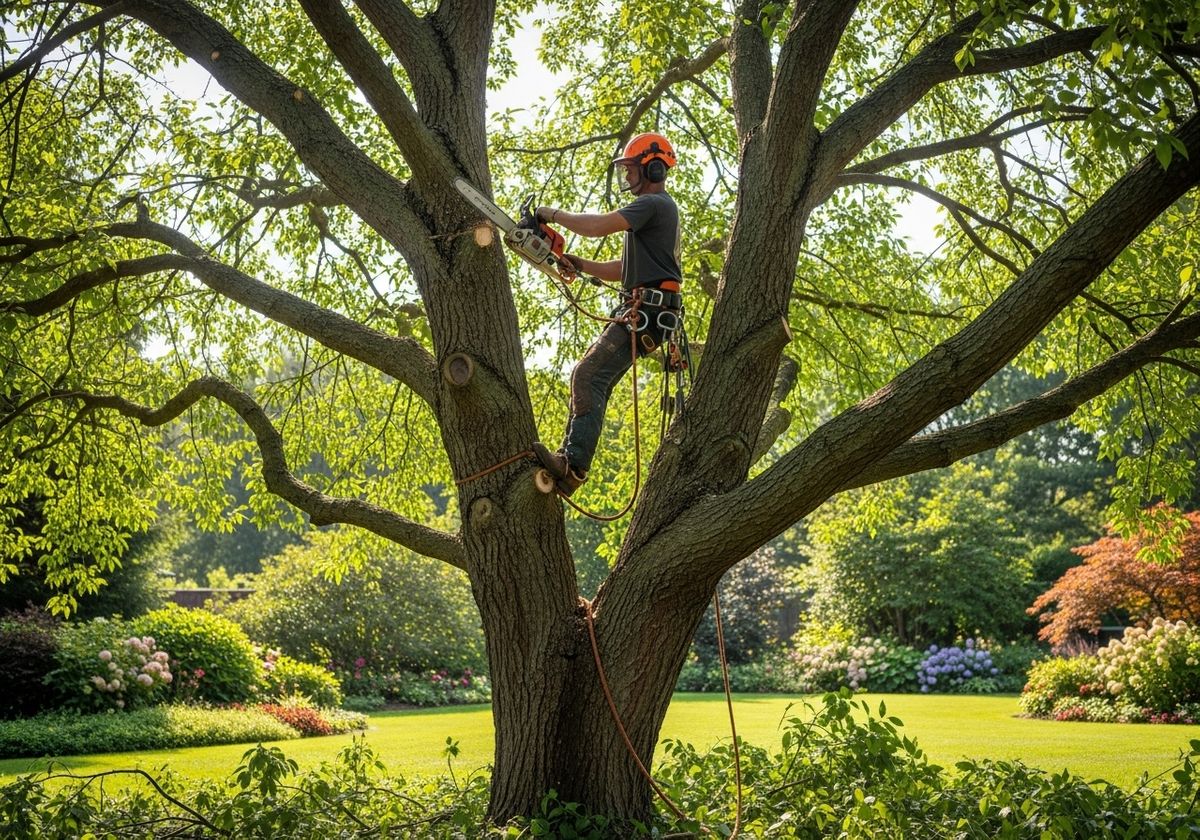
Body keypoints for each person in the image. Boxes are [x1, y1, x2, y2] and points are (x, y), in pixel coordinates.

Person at [532, 132, 683, 496]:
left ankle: (573, 467)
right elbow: (624, 267)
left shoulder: (654, 205)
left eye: (632, 169)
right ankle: (569, 463)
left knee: (587, 376)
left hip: (648, 310)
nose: (627, 177)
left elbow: (595, 227)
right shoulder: (654, 214)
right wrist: (581, 264)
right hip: (646, 308)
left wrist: (547, 213)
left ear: (654, 168)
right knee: (591, 378)